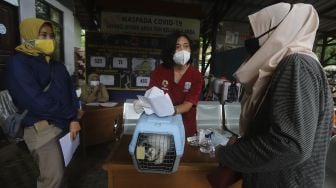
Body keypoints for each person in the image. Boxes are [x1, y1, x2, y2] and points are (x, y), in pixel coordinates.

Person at [215, 3, 334, 188]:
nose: (249, 38)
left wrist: (225, 154)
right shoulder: (290, 65)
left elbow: (291, 146)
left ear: (279, 32)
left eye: (255, 32)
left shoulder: (298, 65)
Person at [6, 18, 81, 188]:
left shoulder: (58, 66)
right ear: (29, 36)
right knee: (52, 178)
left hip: (65, 126)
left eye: (51, 36)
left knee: (63, 174)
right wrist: (70, 114)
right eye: (43, 35)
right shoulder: (18, 63)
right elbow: (35, 101)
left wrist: (74, 119)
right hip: (41, 128)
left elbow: (71, 95)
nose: (49, 40)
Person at [138, 32, 203, 137]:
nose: (183, 50)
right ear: (170, 50)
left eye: (186, 46)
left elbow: (187, 105)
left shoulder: (196, 75)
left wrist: (169, 110)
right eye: (177, 47)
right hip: (161, 125)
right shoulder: (160, 70)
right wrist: (145, 104)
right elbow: (152, 95)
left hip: (186, 127)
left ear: (190, 49)